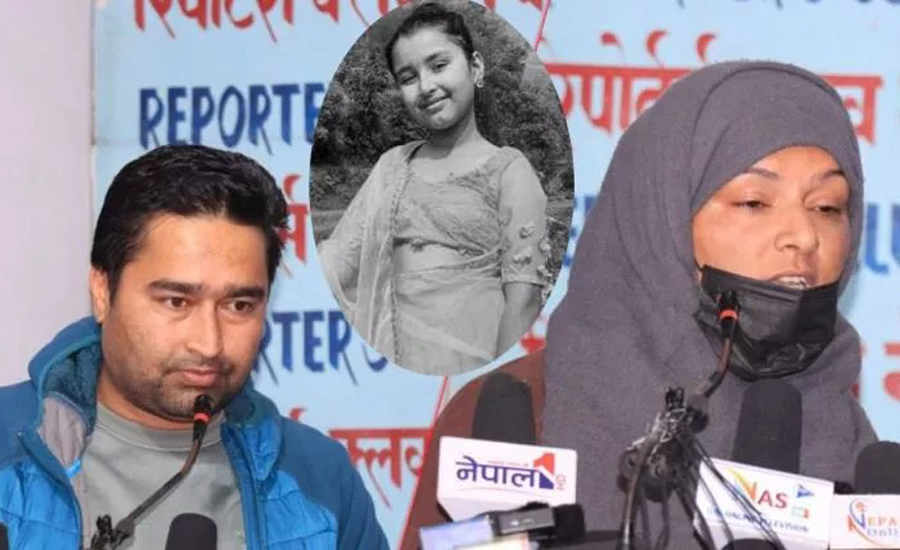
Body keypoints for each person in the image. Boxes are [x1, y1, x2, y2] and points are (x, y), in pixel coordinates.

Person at [541, 61, 878, 547]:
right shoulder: (518, 417)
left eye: (827, 207)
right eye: (754, 203)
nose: (804, 237)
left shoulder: (867, 469)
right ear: (661, 219)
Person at [0, 145, 389, 549]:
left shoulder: (321, 482)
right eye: (176, 302)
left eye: (239, 305)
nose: (209, 343)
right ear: (102, 291)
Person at [317, 1, 550, 375]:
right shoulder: (392, 166)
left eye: (439, 65)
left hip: (472, 357)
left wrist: (493, 383)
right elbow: (338, 261)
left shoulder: (509, 171)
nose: (426, 86)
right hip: (389, 357)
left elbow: (522, 305)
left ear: (475, 68)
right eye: (408, 77)